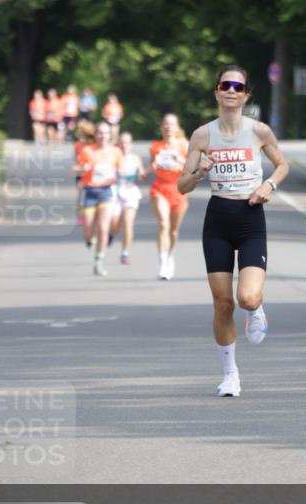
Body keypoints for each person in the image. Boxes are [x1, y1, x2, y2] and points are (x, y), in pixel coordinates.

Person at [178, 65, 289, 398]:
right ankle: (230, 375)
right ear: (216, 91)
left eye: (237, 87)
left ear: (245, 95)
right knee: (223, 303)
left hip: (250, 217)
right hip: (218, 220)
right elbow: (182, 186)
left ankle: (256, 312)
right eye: (225, 85)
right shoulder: (202, 135)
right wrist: (199, 171)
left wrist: (269, 184)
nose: (230, 90)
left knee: (247, 297)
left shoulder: (259, 132)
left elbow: (283, 165)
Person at [75, 121, 123, 276]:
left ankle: (98, 261)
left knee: (103, 228)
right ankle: (90, 239)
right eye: (100, 133)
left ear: (110, 135)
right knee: (88, 229)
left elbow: (121, 168)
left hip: (106, 192)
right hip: (89, 192)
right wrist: (82, 169)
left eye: (106, 133)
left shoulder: (115, 152)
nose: (103, 136)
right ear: (95, 135)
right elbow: (75, 169)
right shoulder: (87, 151)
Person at [145, 114, 189, 279]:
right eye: (166, 124)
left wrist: (181, 161)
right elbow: (153, 164)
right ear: (161, 127)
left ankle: (170, 255)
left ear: (177, 127)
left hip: (179, 190)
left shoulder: (184, 145)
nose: (168, 127)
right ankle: (163, 263)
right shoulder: (155, 146)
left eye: (172, 124)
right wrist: (149, 170)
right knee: (163, 224)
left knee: (174, 231)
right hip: (160, 189)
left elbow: (194, 168)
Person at [110, 131, 148, 265]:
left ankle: (125, 252)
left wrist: (145, 173)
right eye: (121, 142)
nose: (124, 145)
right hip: (114, 193)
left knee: (128, 223)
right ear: (118, 144)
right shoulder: (112, 157)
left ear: (130, 144)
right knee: (114, 224)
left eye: (126, 142)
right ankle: (111, 234)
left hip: (130, 192)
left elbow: (142, 174)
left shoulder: (135, 158)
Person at [73, 120, 96, 226]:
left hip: (93, 174)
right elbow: (76, 159)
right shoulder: (77, 145)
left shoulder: (94, 144)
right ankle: (80, 213)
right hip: (81, 173)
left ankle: (92, 213)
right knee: (81, 194)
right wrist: (78, 167)